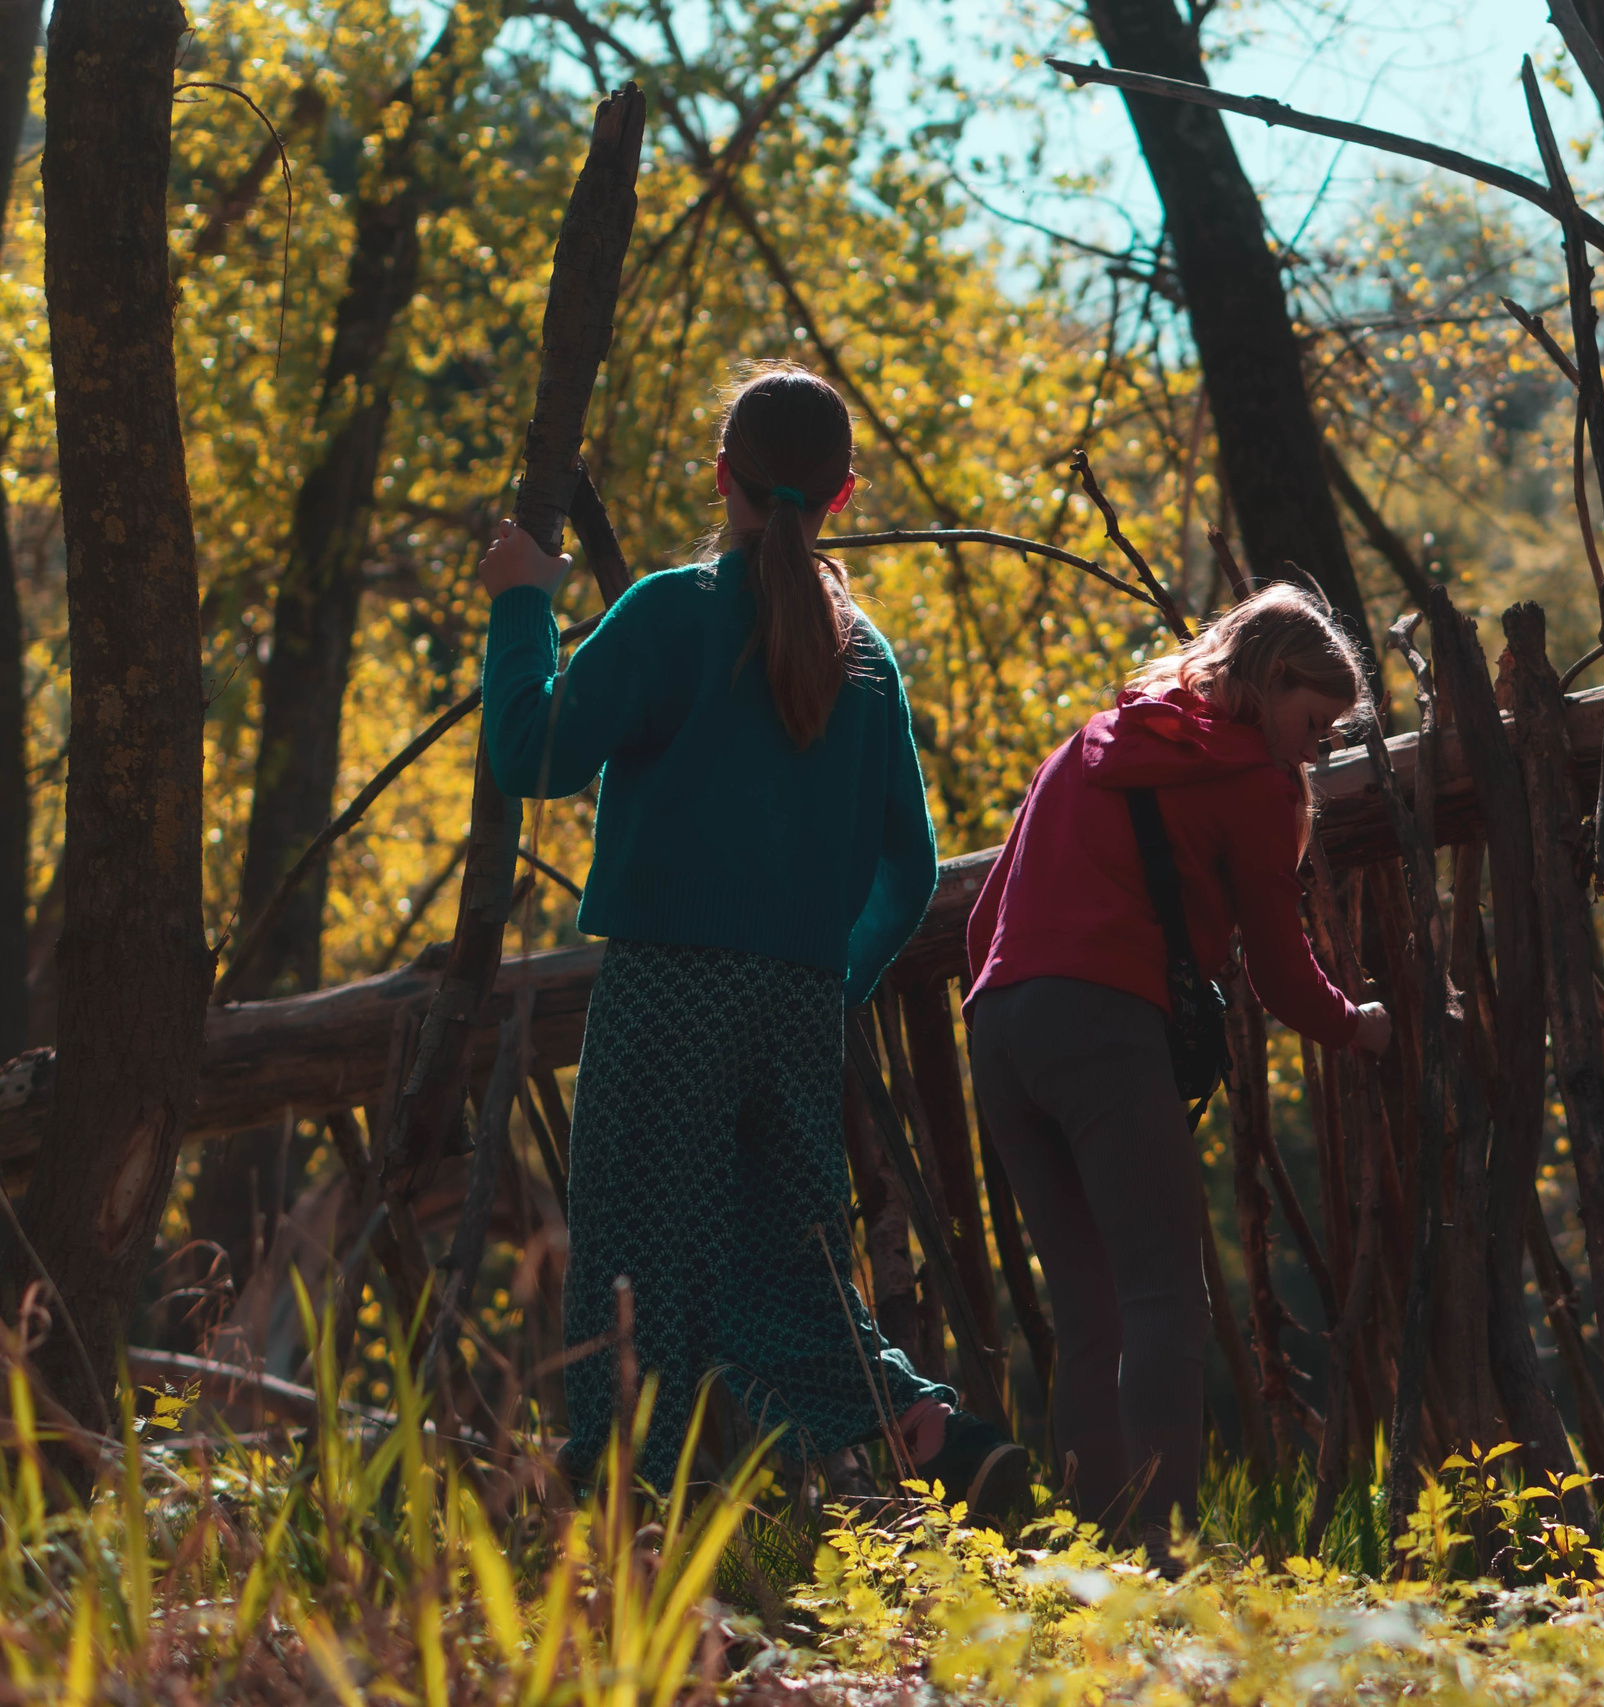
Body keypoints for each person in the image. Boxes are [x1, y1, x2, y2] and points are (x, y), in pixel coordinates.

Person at [475, 362, 1025, 1510]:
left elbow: (532, 754)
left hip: (668, 987)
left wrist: (524, 601)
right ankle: (931, 1429)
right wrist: (833, 981)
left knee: (636, 1257)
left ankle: (623, 1507)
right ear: (843, 493)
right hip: (794, 1003)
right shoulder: (864, 661)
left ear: (722, 476)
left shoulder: (674, 612)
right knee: (780, 1261)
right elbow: (908, 866)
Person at [963, 585, 1393, 1548]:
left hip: (999, 1029)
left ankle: (1090, 1565)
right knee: (1164, 1299)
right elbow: (1282, 972)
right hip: (1105, 1028)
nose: (1316, 749)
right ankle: (1162, 1561)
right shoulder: (1249, 778)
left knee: (1089, 1316)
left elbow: (985, 918)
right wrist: (1361, 1027)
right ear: (1273, 680)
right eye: (1314, 722)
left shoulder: (1093, 740)